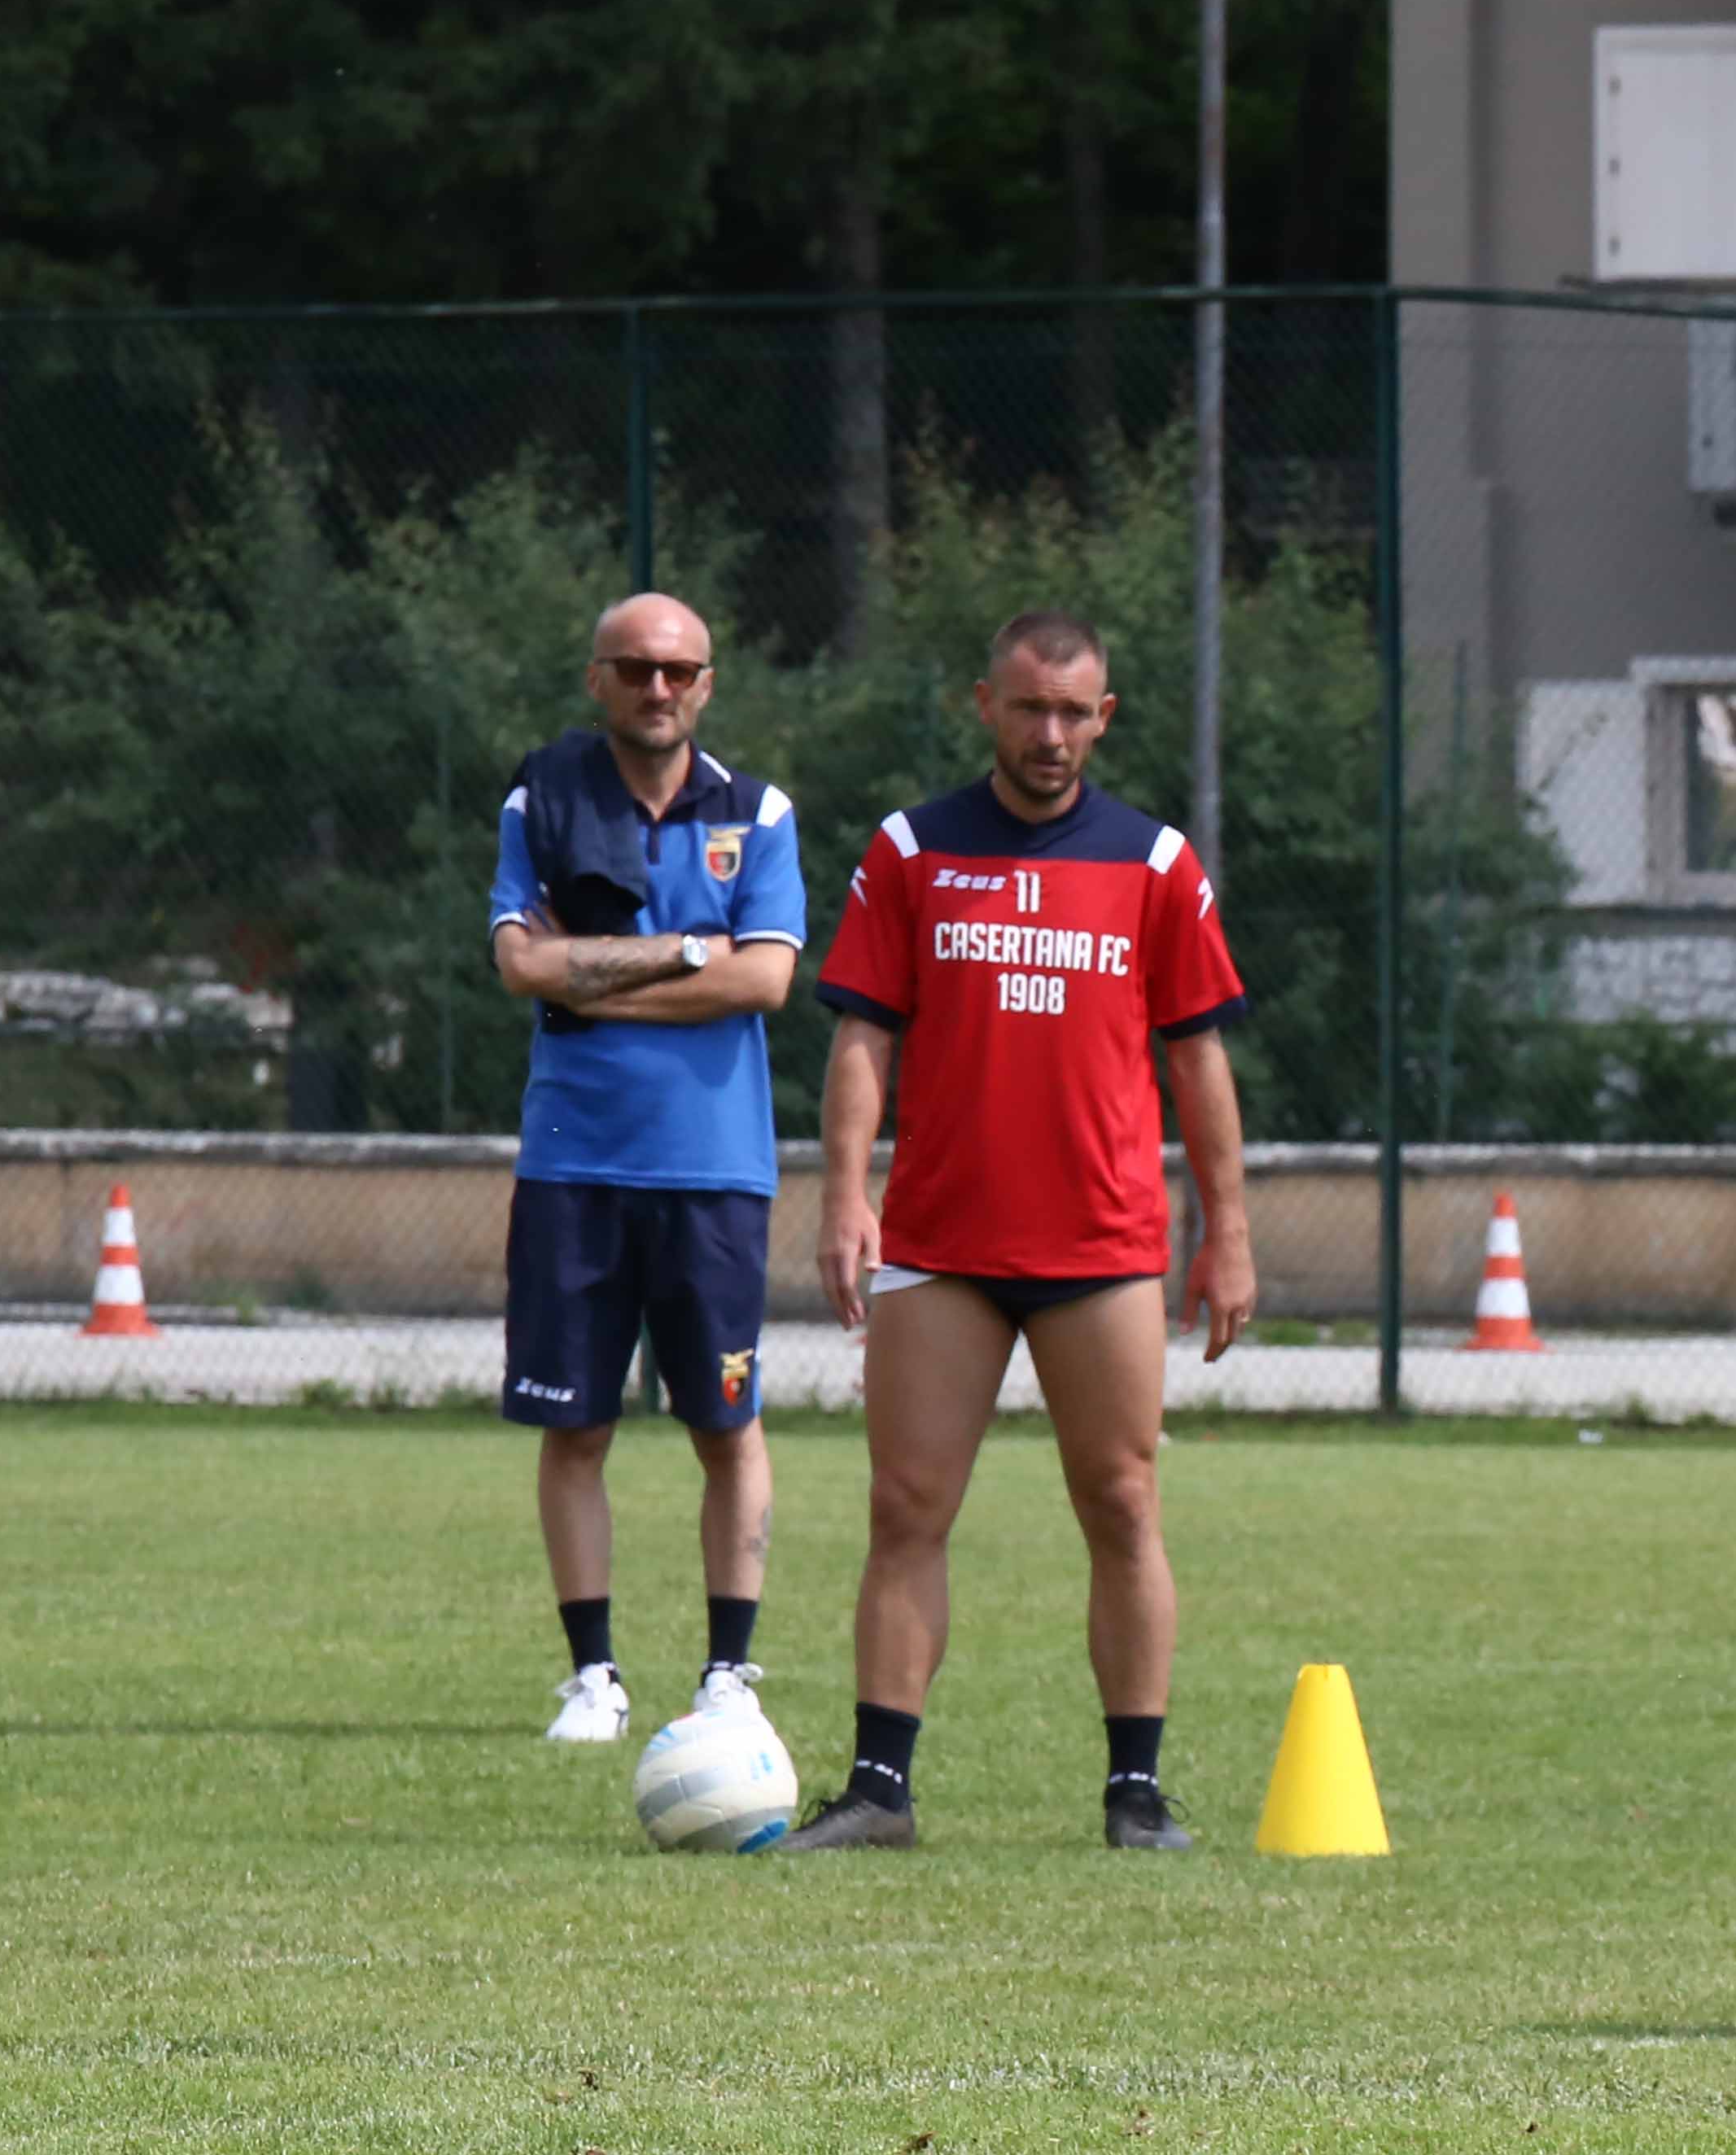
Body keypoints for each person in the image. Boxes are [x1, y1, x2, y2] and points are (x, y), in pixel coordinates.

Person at [775, 610, 1255, 1852]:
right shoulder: (912, 849)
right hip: (943, 1245)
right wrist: (844, 1196)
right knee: (906, 1506)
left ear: (1106, 718)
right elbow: (864, 1038)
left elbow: (1198, 1060)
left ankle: (1135, 1795)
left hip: (1102, 1246)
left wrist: (1230, 1231)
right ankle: (879, 1792)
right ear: (986, 704)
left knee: (1124, 1502)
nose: (1051, 733)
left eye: (1074, 712)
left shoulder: (1156, 863)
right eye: (1030, 707)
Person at [487, 592, 806, 1746]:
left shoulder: (758, 812)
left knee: (727, 1427)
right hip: (575, 1164)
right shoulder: (544, 799)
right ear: (598, 680)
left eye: (678, 671)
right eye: (634, 669)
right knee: (575, 1430)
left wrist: (597, 975)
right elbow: (523, 968)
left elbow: (764, 981)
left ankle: (727, 1675)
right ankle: (595, 1678)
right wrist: (685, 952)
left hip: (715, 1171)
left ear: (707, 684)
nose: (657, 689)